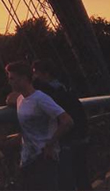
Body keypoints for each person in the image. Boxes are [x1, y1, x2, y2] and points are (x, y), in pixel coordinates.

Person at [6, 60, 74, 191]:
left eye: (12, 78)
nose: (9, 82)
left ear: (24, 78)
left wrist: (50, 143)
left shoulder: (41, 99)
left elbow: (67, 121)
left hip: (44, 158)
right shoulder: (21, 99)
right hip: (28, 160)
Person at [33, 59, 90, 190]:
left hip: (67, 139)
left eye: (36, 72)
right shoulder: (63, 87)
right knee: (81, 176)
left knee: (66, 180)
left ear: (46, 74)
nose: (34, 76)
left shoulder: (46, 90)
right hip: (79, 135)